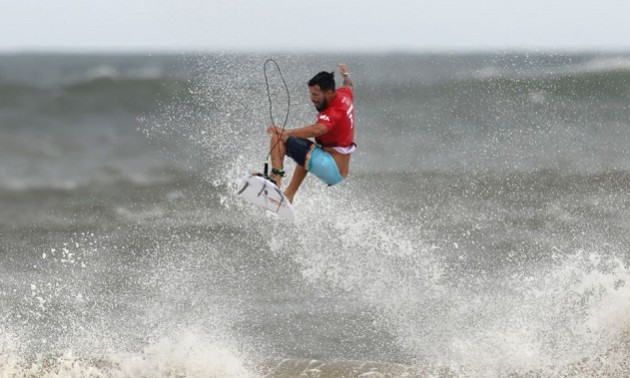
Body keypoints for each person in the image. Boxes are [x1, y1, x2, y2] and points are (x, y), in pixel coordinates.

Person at [266, 64, 356, 203]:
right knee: (307, 151)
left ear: (329, 93)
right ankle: (289, 195)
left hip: (330, 166)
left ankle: (275, 180)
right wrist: (345, 74)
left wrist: (286, 132)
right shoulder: (344, 94)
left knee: (279, 137)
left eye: (315, 94)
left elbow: (318, 129)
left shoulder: (335, 111)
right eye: (311, 93)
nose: (312, 98)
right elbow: (349, 84)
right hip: (336, 168)